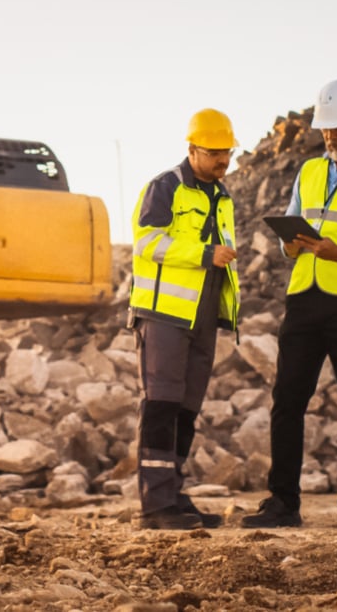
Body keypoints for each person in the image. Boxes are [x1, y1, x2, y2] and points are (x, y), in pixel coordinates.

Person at [241, 79, 337, 529]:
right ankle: (283, 502)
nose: (329, 136)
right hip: (304, 298)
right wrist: (291, 247)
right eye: (324, 128)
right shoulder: (308, 172)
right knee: (287, 399)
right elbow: (290, 237)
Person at [129, 108, 241, 530]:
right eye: (214, 153)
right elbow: (147, 242)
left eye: (227, 154)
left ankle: (172, 494)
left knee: (187, 407)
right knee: (161, 403)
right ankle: (154, 506)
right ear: (192, 149)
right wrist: (202, 254)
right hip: (164, 313)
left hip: (204, 314)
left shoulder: (223, 196)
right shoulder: (166, 188)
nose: (223, 162)